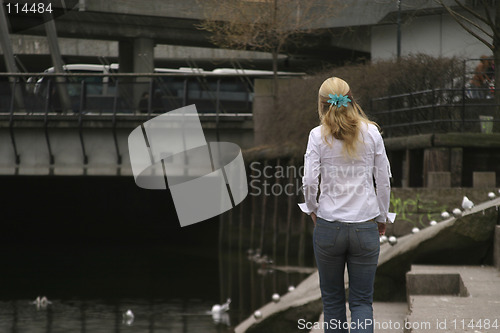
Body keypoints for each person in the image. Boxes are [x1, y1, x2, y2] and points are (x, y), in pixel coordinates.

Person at [300, 77, 391, 333]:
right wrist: (382, 218)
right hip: (365, 226)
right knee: (362, 302)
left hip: (329, 226)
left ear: (321, 104)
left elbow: (309, 181)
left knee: (332, 302)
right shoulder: (371, 133)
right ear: (351, 98)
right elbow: (383, 181)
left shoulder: (317, 136)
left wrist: (313, 209)